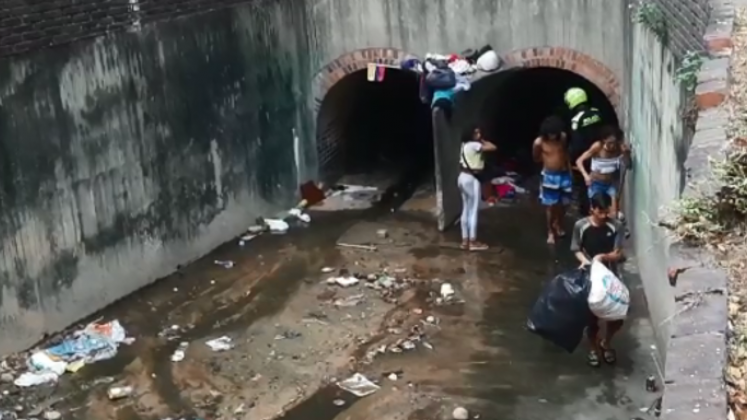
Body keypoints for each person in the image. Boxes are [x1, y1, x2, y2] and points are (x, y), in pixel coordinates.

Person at [570, 193, 625, 367]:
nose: (603, 216)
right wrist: (586, 261)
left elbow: (618, 253)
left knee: (617, 315)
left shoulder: (616, 226)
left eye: (606, 212)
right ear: (592, 209)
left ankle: (606, 342)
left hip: (611, 276)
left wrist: (602, 257)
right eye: (599, 212)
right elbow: (576, 248)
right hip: (589, 276)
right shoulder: (581, 226)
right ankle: (593, 348)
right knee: (591, 317)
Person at [575, 126, 632, 220]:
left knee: (614, 214)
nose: (612, 146)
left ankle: (613, 232)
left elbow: (628, 165)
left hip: (610, 184)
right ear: (604, 140)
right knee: (596, 213)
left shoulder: (619, 148)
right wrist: (585, 176)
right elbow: (579, 161)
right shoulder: (598, 147)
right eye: (609, 143)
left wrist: (626, 154)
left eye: (614, 143)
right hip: (595, 184)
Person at [564, 87, 605, 216]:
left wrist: (573, 160)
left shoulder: (576, 120)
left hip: (585, 157)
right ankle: (601, 209)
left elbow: (577, 143)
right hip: (600, 154)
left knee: (584, 186)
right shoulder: (596, 113)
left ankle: (586, 212)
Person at [533, 116, 572, 244]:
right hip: (549, 176)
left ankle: (558, 223)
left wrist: (570, 170)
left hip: (564, 173)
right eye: (550, 134)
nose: (553, 136)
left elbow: (565, 154)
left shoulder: (563, 138)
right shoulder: (539, 142)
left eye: (555, 134)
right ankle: (550, 231)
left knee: (565, 203)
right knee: (550, 205)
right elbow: (536, 157)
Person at [459, 127, 496, 251]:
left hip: (462, 177)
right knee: (473, 209)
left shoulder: (464, 145)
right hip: (471, 178)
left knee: (465, 208)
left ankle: (465, 240)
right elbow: (493, 147)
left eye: (479, 132)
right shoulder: (475, 145)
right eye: (476, 132)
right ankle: (473, 241)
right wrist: (482, 140)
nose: (479, 134)